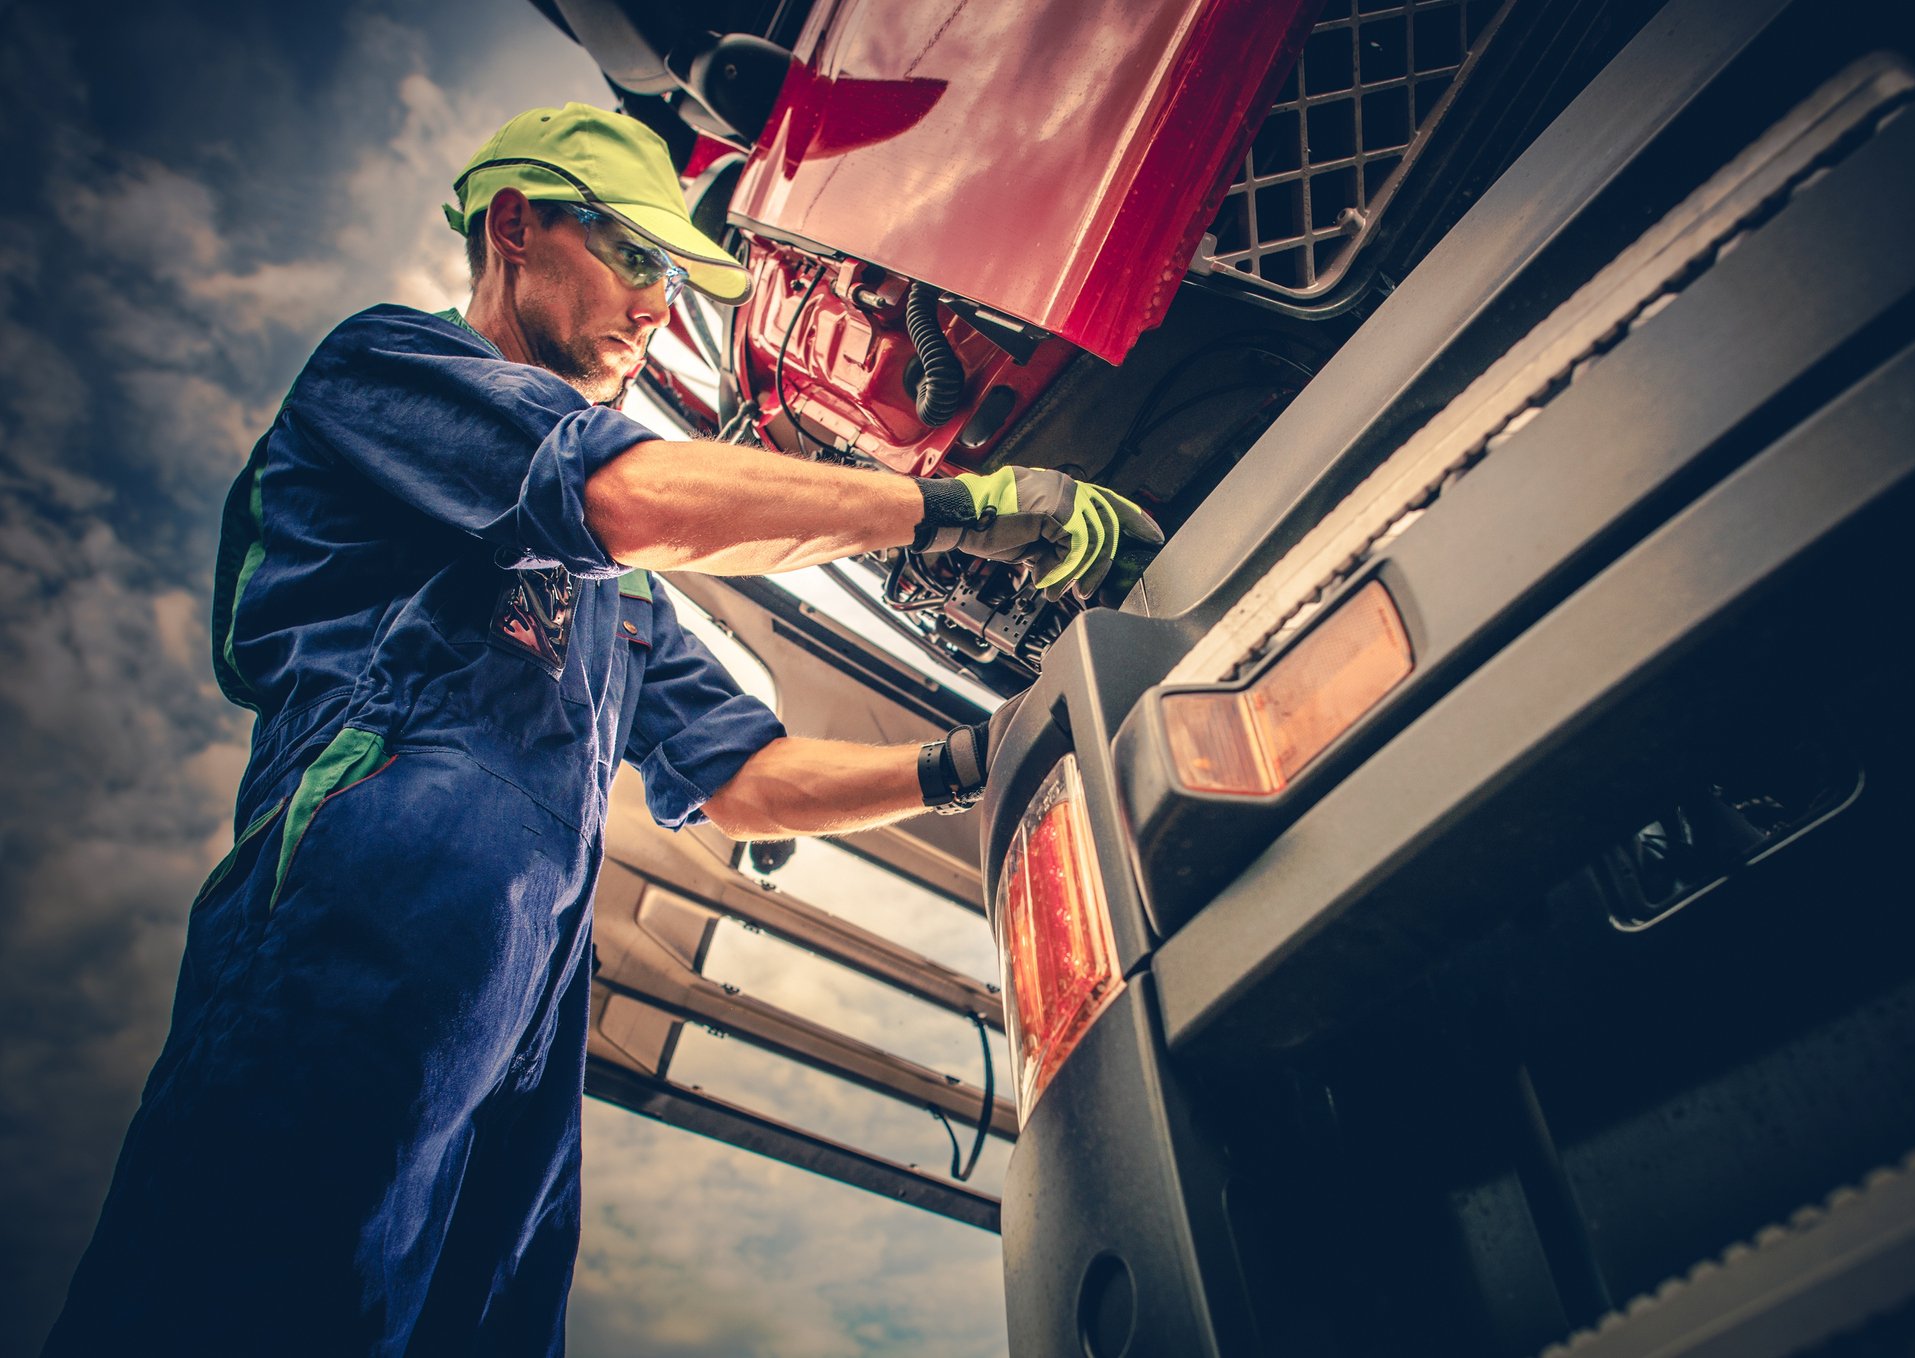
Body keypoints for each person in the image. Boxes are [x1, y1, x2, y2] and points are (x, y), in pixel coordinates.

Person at [44, 103, 1159, 1356]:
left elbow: (749, 777)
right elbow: (627, 493)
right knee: (248, 1291)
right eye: (634, 255)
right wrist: (957, 505)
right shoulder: (389, 372)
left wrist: (976, 757)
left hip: (522, 1005)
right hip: (356, 917)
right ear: (513, 227)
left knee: (486, 1319)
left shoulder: (616, 600)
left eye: (673, 278)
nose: (654, 304)